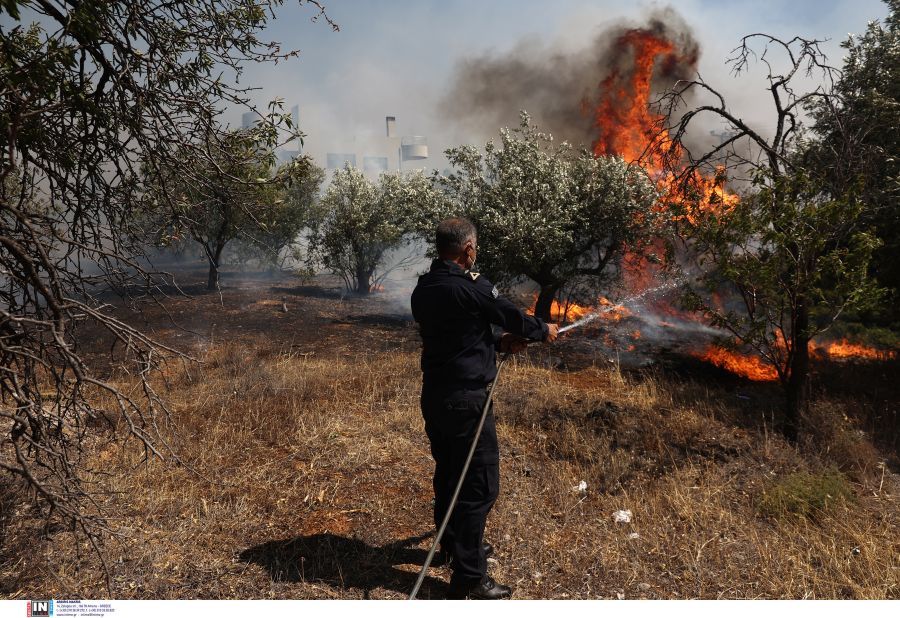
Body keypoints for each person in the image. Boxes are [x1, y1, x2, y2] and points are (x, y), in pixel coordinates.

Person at [410, 217, 559, 599]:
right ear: (468, 249)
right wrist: (541, 330)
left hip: (436, 396)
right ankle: (470, 578)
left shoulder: (424, 288)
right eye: (475, 247)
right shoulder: (471, 285)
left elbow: (459, 332)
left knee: (449, 474)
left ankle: (453, 546)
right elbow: (509, 314)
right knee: (479, 487)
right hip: (466, 401)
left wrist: (497, 342)